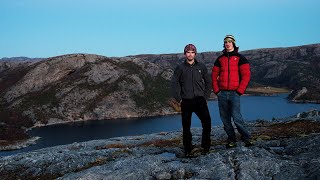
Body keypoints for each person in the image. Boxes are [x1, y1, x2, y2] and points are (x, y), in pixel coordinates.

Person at [211, 35, 254, 148]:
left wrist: (240, 91)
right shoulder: (220, 59)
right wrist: (217, 90)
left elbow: (246, 75)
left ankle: (246, 137)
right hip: (222, 93)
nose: (227, 43)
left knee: (236, 117)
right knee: (225, 119)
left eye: (230, 42)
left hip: (235, 93)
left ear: (233, 43)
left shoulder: (240, 58)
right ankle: (231, 139)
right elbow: (214, 76)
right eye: (225, 42)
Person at [171, 44, 212, 157]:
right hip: (186, 101)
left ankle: (205, 147)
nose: (190, 54)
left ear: (195, 54)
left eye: (192, 52)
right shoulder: (180, 68)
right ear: (185, 54)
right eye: (188, 52)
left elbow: (208, 82)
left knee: (207, 122)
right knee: (186, 126)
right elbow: (174, 84)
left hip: (200, 100)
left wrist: (206, 97)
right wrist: (179, 99)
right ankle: (188, 149)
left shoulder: (201, 67)